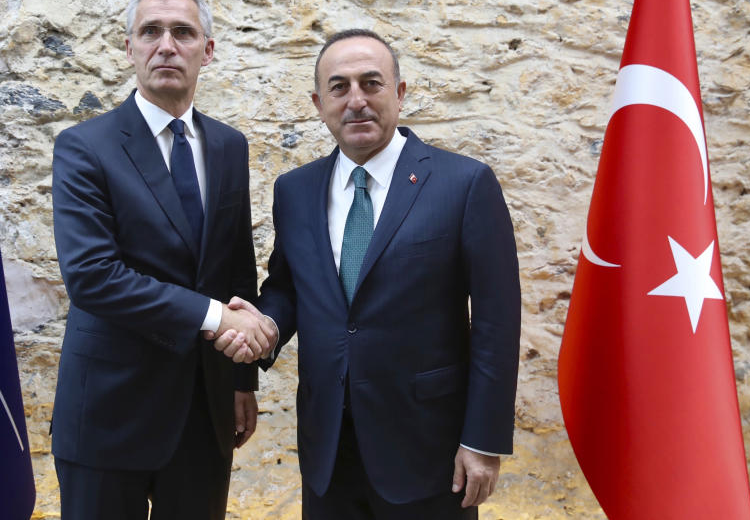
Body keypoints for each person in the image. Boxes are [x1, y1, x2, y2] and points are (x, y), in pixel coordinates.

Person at [216, 29, 521, 519]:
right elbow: (290, 288)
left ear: (399, 93)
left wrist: (483, 440)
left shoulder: (464, 184)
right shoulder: (295, 190)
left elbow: (496, 324)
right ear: (319, 103)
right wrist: (266, 327)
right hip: (328, 448)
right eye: (339, 87)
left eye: (371, 83)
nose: (356, 100)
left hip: (429, 450)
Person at [50, 0, 277, 520]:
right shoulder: (84, 147)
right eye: (150, 31)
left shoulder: (228, 146)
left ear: (208, 49)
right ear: (130, 48)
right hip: (109, 412)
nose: (166, 45)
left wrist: (242, 380)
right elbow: (93, 277)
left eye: (183, 32)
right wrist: (215, 316)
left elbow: (236, 270)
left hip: (205, 412)